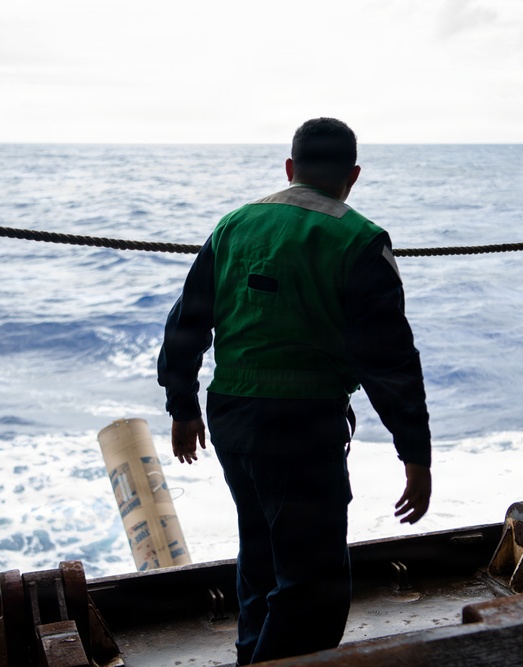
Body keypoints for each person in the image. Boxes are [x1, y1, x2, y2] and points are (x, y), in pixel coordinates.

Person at [157, 117, 432, 664]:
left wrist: (183, 407)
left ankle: (248, 655)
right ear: (352, 175)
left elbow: (187, 323)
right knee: (315, 587)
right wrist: (416, 454)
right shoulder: (359, 240)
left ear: (290, 169)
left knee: (260, 556)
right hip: (302, 430)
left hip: (232, 421)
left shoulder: (233, 225)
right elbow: (390, 363)